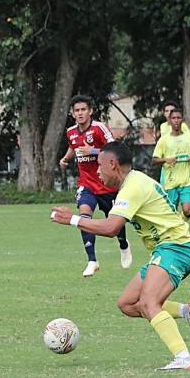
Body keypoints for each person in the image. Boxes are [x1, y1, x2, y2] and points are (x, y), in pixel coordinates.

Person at [51, 141, 190, 371]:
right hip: (172, 247)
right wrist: (188, 237)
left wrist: (73, 220)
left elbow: (111, 228)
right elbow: (164, 211)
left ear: (113, 164)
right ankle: (186, 310)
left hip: (174, 249)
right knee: (128, 303)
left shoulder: (132, 186)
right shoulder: (135, 182)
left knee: (148, 302)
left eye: (100, 165)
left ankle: (184, 358)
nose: (97, 171)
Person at [59, 95, 132, 277]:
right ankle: (92, 260)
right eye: (77, 110)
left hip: (107, 184)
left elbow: (116, 149)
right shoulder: (71, 132)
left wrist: (91, 151)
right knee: (84, 215)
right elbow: (72, 146)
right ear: (73, 113)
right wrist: (66, 158)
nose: (80, 113)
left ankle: (123, 244)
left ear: (90, 111)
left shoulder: (99, 129)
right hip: (86, 184)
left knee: (114, 224)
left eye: (83, 109)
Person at [158, 101, 190, 232]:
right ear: (165, 115)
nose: (170, 114)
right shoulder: (163, 128)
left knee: (188, 200)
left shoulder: (185, 130)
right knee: (169, 203)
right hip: (168, 171)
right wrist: (166, 159)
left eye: (172, 111)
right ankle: (173, 228)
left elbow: (189, 144)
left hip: (183, 170)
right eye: (167, 111)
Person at [152, 108, 190, 223]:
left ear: (182, 120)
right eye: (173, 118)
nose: (176, 121)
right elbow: (154, 160)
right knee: (170, 213)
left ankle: (180, 226)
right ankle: (177, 229)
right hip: (170, 182)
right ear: (170, 120)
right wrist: (166, 160)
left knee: (188, 211)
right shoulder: (164, 140)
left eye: (178, 118)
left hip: (186, 181)